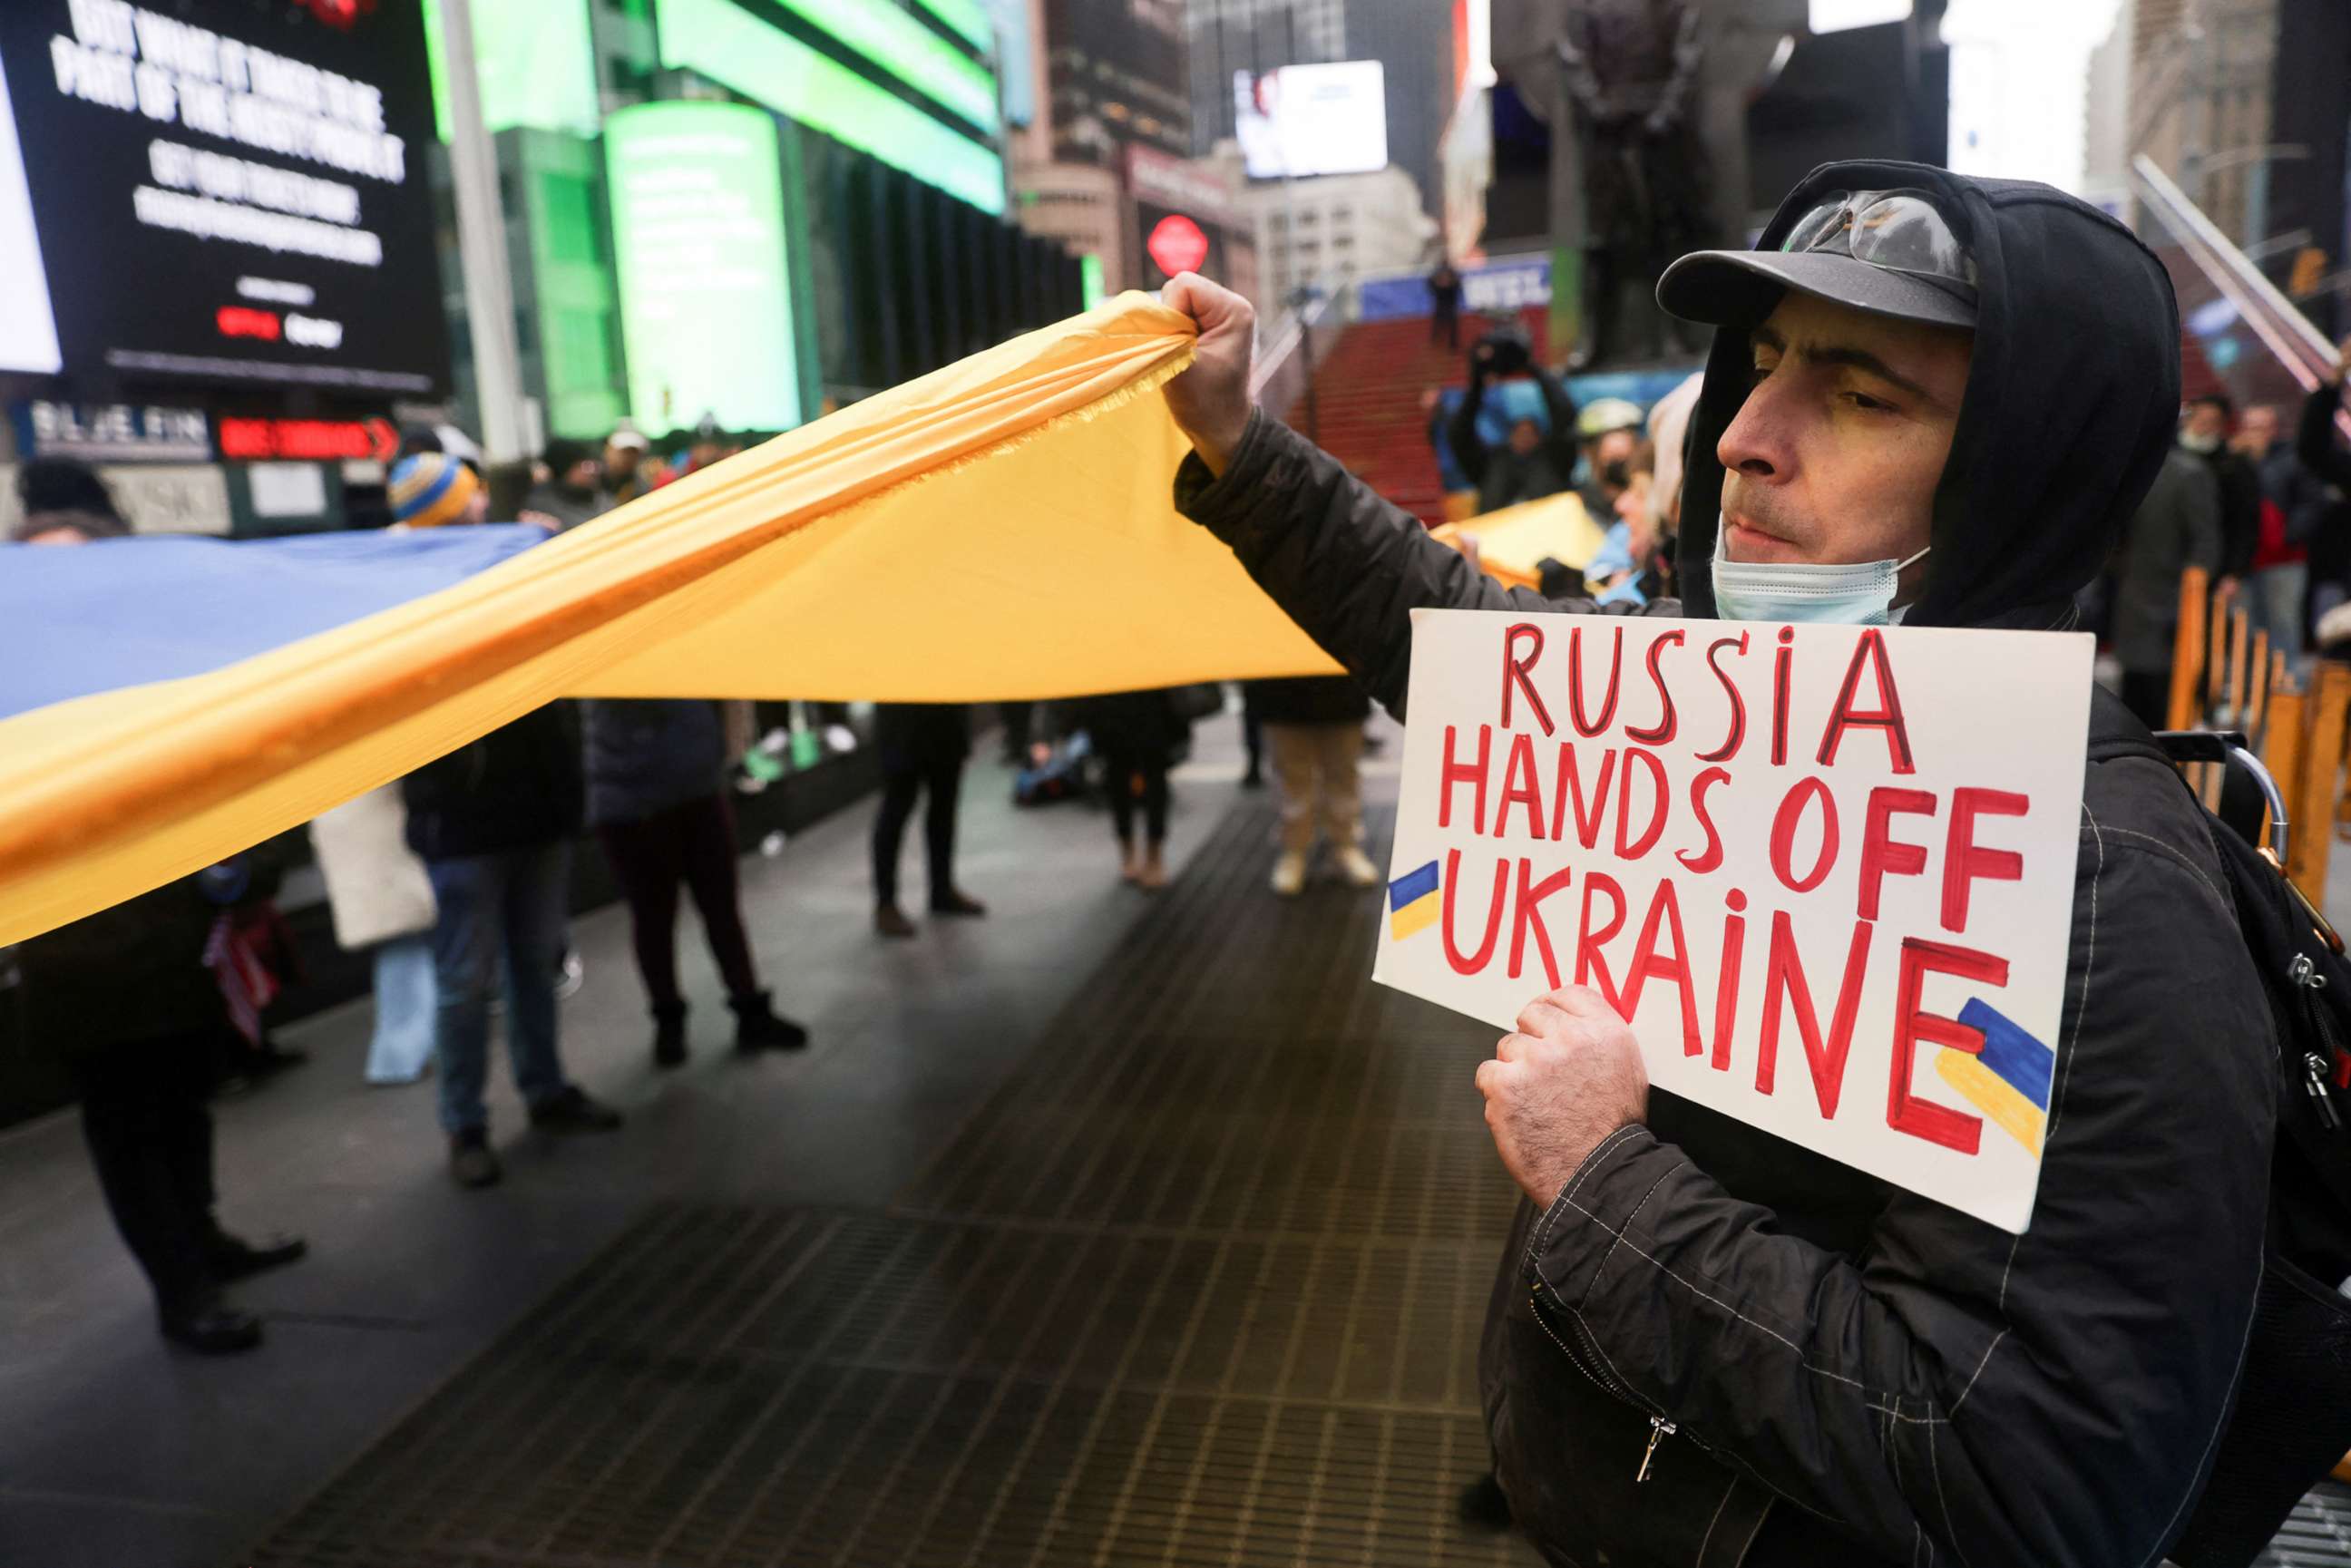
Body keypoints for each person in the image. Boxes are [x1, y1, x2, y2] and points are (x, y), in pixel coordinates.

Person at [1156, 161, 2273, 1563]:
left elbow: (2020, 1477)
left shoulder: (2104, 897)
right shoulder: (1737, 714)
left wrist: (1607, 1175)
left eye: (1863, 395)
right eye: (1768, 365)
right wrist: (1240, 444)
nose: (1747, 432)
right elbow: (1453, 642)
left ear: (2020, 477)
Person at [13, 509, 304, 1353]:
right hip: (81, 950)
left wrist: (253, 864)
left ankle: (203, 1241)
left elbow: (234, 763)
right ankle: (181, 1287)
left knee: (185, 1101)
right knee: (126, 1122)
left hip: (184, 939)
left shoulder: (150, 663)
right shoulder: (22, 685)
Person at [387, 457, 620, 1187]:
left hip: (536, 808)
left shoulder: (514, 561)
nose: (483, 502)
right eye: (468, 495)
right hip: (465, 822)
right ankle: (465, 1124)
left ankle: (544, 1089)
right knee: (465, 981)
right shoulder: (410, 591)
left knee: (534, 962)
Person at [583, 696, 808, 1066]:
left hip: (691, 784)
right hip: (635, 796)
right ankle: (672, 1018)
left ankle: (744, 1009)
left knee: (717, 907)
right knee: (656, 917)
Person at [308, 787, 438, 1086]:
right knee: (407, 956)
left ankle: (402, 1056)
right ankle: (400, 1057)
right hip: (387, 851)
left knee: (405, 953)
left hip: (371, 853)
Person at [2110, 443, 2222, 727]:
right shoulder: (2127, 470)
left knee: (2167, 695)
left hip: (2172, 597)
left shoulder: (2188, 473)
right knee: (2134, 691)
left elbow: (2206, 540)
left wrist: (2192, 591)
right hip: (2134, 592)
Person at [1245, 677, 1381, 896]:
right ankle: (1294, 849)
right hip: (1281, 694)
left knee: (1343, 775)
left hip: (1343, 690)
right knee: (1291, 779)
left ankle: (1345, 844)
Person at [870, 704, 987, 938]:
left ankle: (942, 890)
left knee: (944, 805)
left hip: (946, 712)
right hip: (903, 717)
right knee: (897, 808)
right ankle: (886, 903)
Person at [1058, 688, 1190, 889]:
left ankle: (1152, 853)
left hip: (1145, 707)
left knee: (1150, 783)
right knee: (1121, 783)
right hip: (1116, 710)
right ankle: (1131, 849)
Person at [1449, 331, 1581, 514]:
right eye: (1519, 431)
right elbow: (1460, 434)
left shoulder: (1555, 459)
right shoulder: (1489, 464)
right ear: (1510, 436)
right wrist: (1477, 384)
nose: (1524, 436)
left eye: (1530, 432)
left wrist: (1532, 368)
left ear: (1540, 438)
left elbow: (1564, 415)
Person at [2180, 392, 2262, 607]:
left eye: (2211, 421)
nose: (2203, 425)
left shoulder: (2234, 466)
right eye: (2199, 418)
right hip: (2162, 567)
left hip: (2215, 567)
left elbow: (2245, 522)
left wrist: (2235, 572)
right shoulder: (2167, 457)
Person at [522, 438, 614, 532]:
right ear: (565, 470)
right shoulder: (542, 505)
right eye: (583, 465)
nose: (592, 470)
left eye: (593, 463)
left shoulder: (603, 499)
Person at [604, 426, 655, 504]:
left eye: (634, 452)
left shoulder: (643, 488)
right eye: (623, 451)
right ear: (608, 450)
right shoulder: (590, 483)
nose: (628, 457)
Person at [1429, 259, 1465, 350]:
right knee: (1438, 322)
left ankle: (1453, 344)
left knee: (1453, 324)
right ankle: (1436, 339)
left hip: (1450, 306)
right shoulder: (1437, 284)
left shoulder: (1453, 284)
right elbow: (1431, 284)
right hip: (1441, 306)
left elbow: (1458, 284)